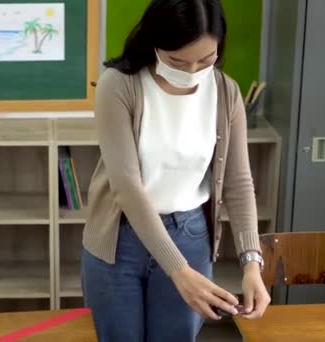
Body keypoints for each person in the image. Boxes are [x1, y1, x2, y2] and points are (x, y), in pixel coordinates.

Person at [81, 0, 271, 341]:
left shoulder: (226, 93)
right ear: (154, 42)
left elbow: (239, 184)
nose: (191, 71)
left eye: (206, 60)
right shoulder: (118, 85)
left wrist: (251, 263)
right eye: (177, 61)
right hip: (119, 238)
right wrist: (178, 270)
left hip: (190, 235)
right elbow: (126, 186)